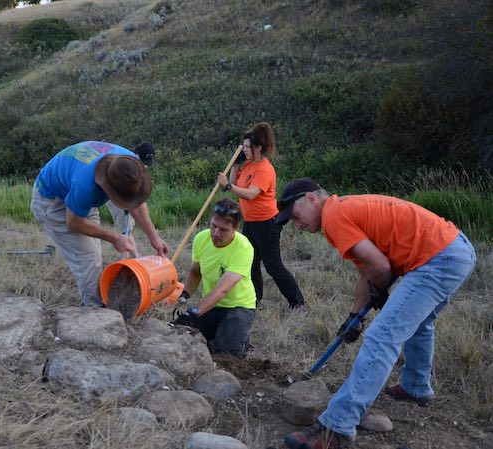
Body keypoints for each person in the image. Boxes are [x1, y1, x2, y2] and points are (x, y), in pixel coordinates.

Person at [274, 177, 476, 449]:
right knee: (420, 323)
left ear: (311, 198)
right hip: (456, 248)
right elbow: (368, 268)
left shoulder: (333, 216)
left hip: (438, 257)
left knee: (382, 337)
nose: (297, 225)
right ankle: (415, 387)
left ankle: (336, 428)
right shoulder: (343, 208)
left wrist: (380, 288)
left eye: (296, 216)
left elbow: (381, 269)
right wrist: (354, 316)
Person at [30, 141, 169, 308]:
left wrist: (154, 238)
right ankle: (93, 313)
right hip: (52, 200)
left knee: (94, 254)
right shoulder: (85, 185)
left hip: (77, 195)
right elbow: (74, 222)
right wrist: (114, 238)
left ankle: (96, 302)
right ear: (108, 187)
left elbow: (137, 205)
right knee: (88, 259)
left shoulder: (129, 166)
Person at [216, 123, 305, 308]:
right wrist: (236, 165)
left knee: (273, 265)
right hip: (250, 222)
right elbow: (235, 184)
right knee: (251, 262)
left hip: (268, 223)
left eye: (248, 147)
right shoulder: (247, 166)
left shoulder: (265, 169)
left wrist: (227, 186)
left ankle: (298, 303)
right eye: (244, 147)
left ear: (258, 148)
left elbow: (250, 193)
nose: (245, 150)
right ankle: (256, 300)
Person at [171, 198, 256, 358]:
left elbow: (222, 290)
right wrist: (185, 295)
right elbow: (196, 272)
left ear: (235, 228)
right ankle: (222, 333)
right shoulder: (201, 239)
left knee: (225, 353)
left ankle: (240, 339)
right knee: (176, 331)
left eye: (223, 230)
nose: (216, 234)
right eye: (213, 226)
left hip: (238, 307)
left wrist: (196, 311)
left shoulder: (244, 248)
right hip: (211, 306)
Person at [105, 142, 155, 257]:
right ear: (136, 154)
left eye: (147, 163)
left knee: (128, 228)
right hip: (114, 195)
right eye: (142, 161)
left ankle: (133, 258)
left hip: (127, 196)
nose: (145, 166)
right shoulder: (125, 163)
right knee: (125, 229)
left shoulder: (136, 165)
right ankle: (130, 260)